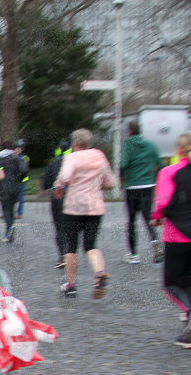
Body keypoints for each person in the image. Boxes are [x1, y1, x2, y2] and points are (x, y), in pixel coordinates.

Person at [53, 128, 115, 299]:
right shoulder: (100, 156)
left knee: (71, 246)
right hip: (95, 207)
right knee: (91, 245)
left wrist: (59, 187)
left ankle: (71, 285)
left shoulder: (72, 157)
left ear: (74, 143)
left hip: (74, 207)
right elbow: (110, 182)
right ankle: (99, 273)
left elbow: (64, 177)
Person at [151, 133, 191, 347]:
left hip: (178, 234)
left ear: (178, 150)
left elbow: (163, 202)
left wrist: (156, 218)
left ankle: (188, 313)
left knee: (172, 283)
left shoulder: (170, 171)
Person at [120, 120, 163, 264]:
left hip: (132, 186)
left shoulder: (128, 144)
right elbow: (160, 164)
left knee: (132, 220)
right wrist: (155, 178)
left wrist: (122, 178)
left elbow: (123, 164)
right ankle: (155, 242)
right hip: (148, 185)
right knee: (147, 217)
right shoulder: (150, 145)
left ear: (130, 131)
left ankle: (133, 254)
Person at [0, 139, 28, 243]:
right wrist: (19, 179)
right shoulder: (17, 158)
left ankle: (9, 229)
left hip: (4, 187)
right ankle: (10, 228)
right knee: (12, 209)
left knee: (6, 210)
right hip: (15, 186)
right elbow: (24, 170)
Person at [42, 141, 70, 268]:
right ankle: (71, 253)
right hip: (73, 197)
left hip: (57, 197)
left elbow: (45, 184)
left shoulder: (53, 165)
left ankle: (62, 256)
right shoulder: (74, 163)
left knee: (59, 227)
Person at [14, 141, 30, 219]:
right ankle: (10, 212)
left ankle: (19, 213)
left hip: (22, 180)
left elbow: (24, 169)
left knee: (20, 197)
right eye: (16, 148)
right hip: (14, 180)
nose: (17, 150)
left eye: (19, 148)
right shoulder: (13, 157)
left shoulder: (24, 157)